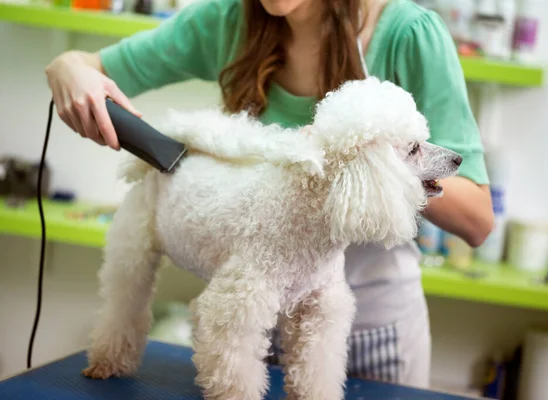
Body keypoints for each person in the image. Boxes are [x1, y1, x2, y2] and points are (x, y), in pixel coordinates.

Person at [44, 0, 493, 388]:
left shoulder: (409, 33)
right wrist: (68, 69)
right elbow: (86, 66)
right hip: (254, 328)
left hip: (374, 329)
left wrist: (376, 167)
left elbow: (477, 220)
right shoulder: (228, 18)